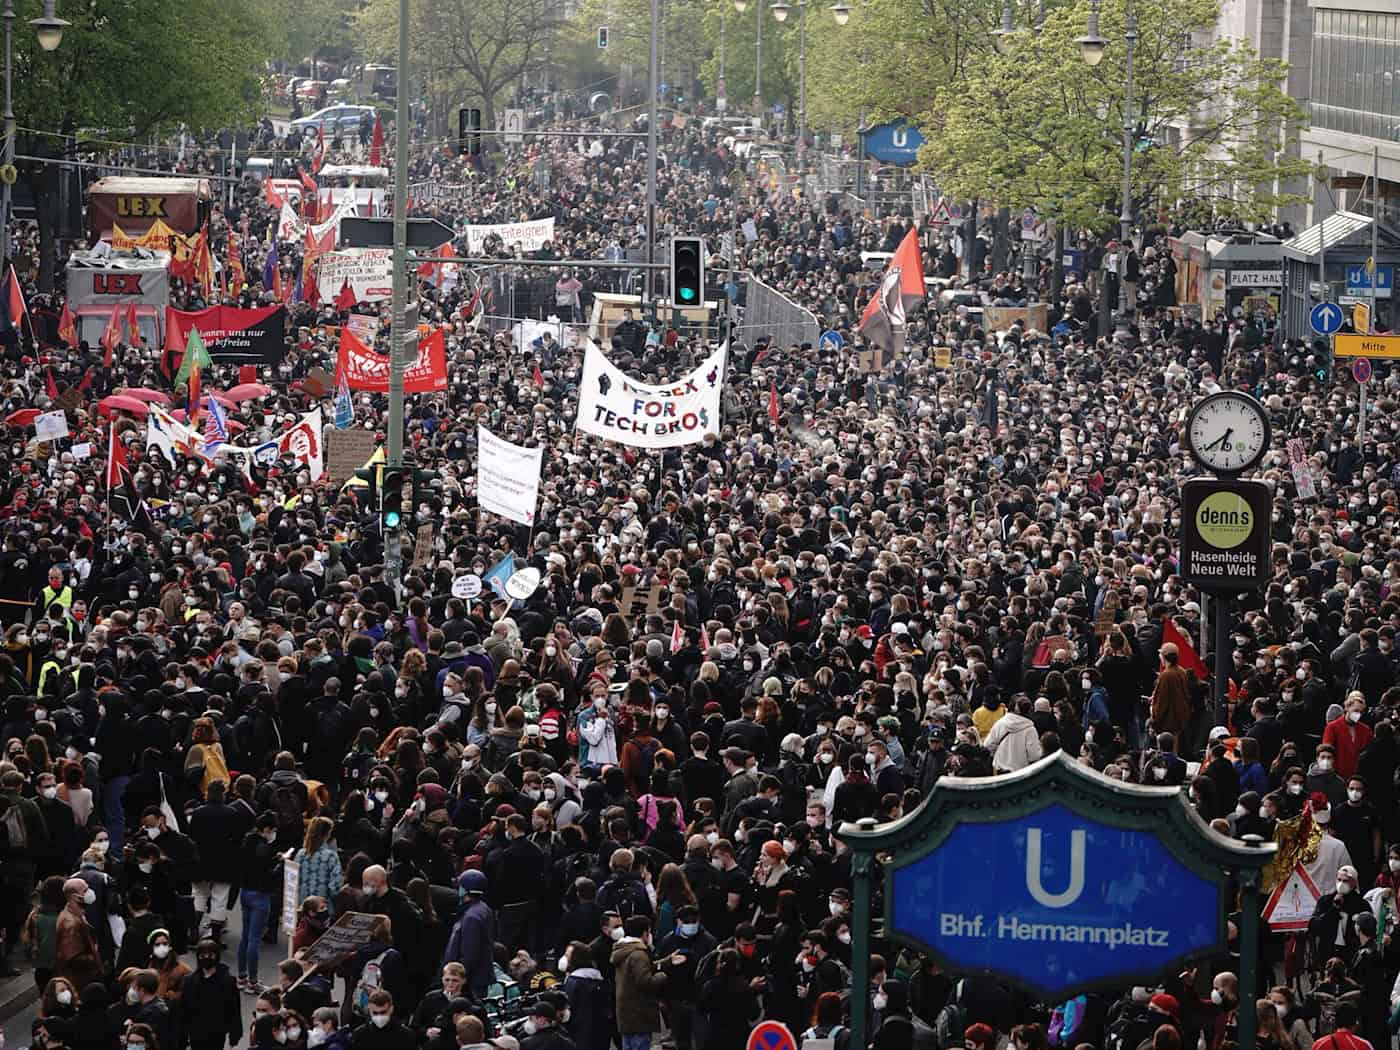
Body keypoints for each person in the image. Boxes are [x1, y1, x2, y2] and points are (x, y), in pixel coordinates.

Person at [610, 916, 669, 1050]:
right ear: (644, 933)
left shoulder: (624, 950)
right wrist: (662, 976)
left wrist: (666, 962)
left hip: (626, 1014)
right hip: (639, 1014)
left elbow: (641, 970)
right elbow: (645, 982)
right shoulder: (639, 954)